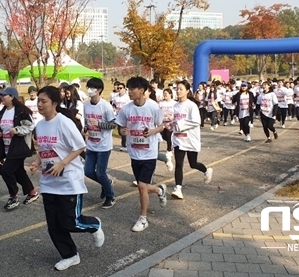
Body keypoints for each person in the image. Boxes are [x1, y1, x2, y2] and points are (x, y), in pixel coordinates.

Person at [29, 86, 104, 271]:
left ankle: (94, 225)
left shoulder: (63, 122)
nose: (39, 104)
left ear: (54, 103)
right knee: (54, 226)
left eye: (43, 101)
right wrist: (37, 163)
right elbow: (45, 149)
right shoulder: (39, 126)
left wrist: (62, 164)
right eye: (38, 100)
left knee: (70, 222)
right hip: (48, 182)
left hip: (69, 181)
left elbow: (79, 146)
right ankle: (70, 255)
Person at [115, 76, 167, 232]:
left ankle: (143, 219)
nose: (129, 92)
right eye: (129, 88)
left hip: (149, 153)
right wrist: (122, 131)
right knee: (142, 186)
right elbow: (120, 127)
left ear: (142, 91)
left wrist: (152, 131)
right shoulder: (126, 109)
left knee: (142, 186)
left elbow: (161, 126)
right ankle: (159, 190)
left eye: (132, 89)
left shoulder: (153, 107)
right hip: (134, 152)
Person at [0, 86, 39, 210]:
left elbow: (30, 126)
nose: (2, 97)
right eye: (1, 95)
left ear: (12, 97)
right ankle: (32, 192)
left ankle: (13, 196)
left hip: (19, 147)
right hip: (7, 147)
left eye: (4, 95)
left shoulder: (21, 111)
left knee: (6, 170)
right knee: (18, 171)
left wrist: (17, 130)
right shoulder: (2, 111)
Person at [170, 80, 213, 200]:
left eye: (180, 89)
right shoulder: (175, 106)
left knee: (193, 164)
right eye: (177, 89)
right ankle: (178, 188)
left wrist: (179, 125)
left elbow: (196, 122)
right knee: (179, 164)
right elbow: (173, 120)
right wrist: (170, 124)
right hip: (178, 139)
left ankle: (206, 170)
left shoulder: (191, 105)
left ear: (187, 91)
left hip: (190, 139)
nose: (178, 91)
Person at [83, 77, 117, 208]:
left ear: (99, 90)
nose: (90, 90)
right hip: (91, 144)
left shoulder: (106, 106)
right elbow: (86, 123)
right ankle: (106, 183)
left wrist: (99, 124)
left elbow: (113, 125)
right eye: (88, 87)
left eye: (93, 88)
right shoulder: (85, 105)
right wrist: (86, 128)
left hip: (103, 145)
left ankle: (110, 196)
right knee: (88, 171)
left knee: (100, 172)